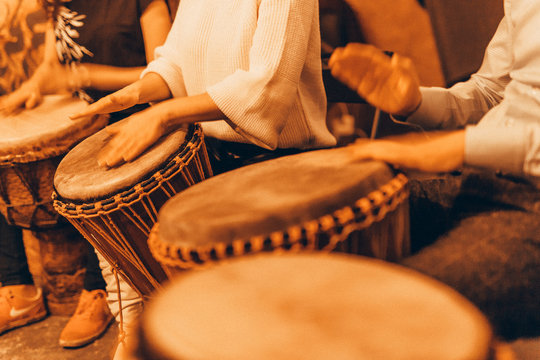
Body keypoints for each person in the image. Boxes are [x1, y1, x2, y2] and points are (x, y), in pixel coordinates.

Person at [328, 0, 540, 339]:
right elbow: (491, 90)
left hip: (531, 211)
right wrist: (416, 102)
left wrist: (463, 147)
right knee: (325, 236)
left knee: (375, 313)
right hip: (482, 184)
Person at [0, 0, 171, 349]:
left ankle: (98, 291)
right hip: (86, 120)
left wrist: (85, 75)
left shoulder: (144, 3)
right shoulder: (58, 2)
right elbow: (53, 66)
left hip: (138, 123)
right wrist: (32, 89)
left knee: (88, 187)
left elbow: (166, 73)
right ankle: (16, 287)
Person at [70, 0, 336, 175]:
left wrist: (163, 115)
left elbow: (267, 87)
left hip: (287, 163)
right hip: (213, 158)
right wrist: (138, 90)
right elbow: (175, 61)